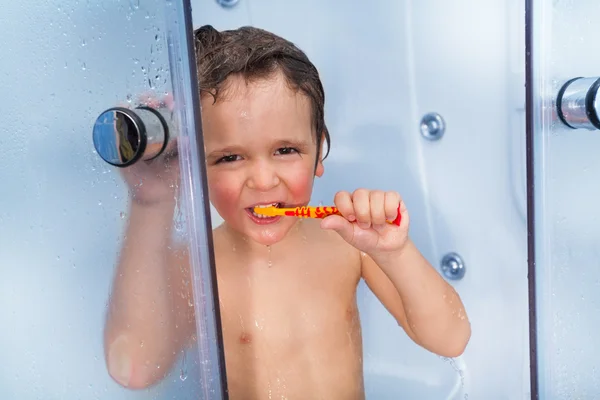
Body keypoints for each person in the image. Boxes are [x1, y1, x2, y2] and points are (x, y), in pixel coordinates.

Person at [103, 24, 471, 399]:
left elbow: (450, 338)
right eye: (230, 157)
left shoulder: (348, 241)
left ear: (318, 152)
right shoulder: (198, 267)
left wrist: (395, 252)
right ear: (195, 166)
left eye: (286, 150)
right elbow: (135, 367)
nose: (263, 180)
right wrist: (151, 203)